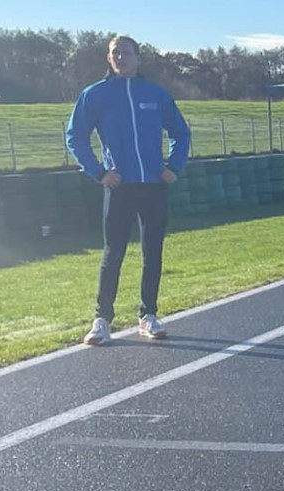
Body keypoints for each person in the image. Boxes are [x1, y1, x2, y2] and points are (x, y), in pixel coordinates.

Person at [66, 35, 191, 345]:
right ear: (109, 59)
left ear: (138, 58)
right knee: (113, 253)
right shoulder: (94, 95)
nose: (120, 57)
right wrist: (99, 172)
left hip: (152, 186)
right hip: (119, 187)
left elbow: (180, 132)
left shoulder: (155, 94)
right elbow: (75, 137)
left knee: (153, 252)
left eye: (126, 52)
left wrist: (172, 167)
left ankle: (148, 315)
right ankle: (102, 320)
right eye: (115, 53)